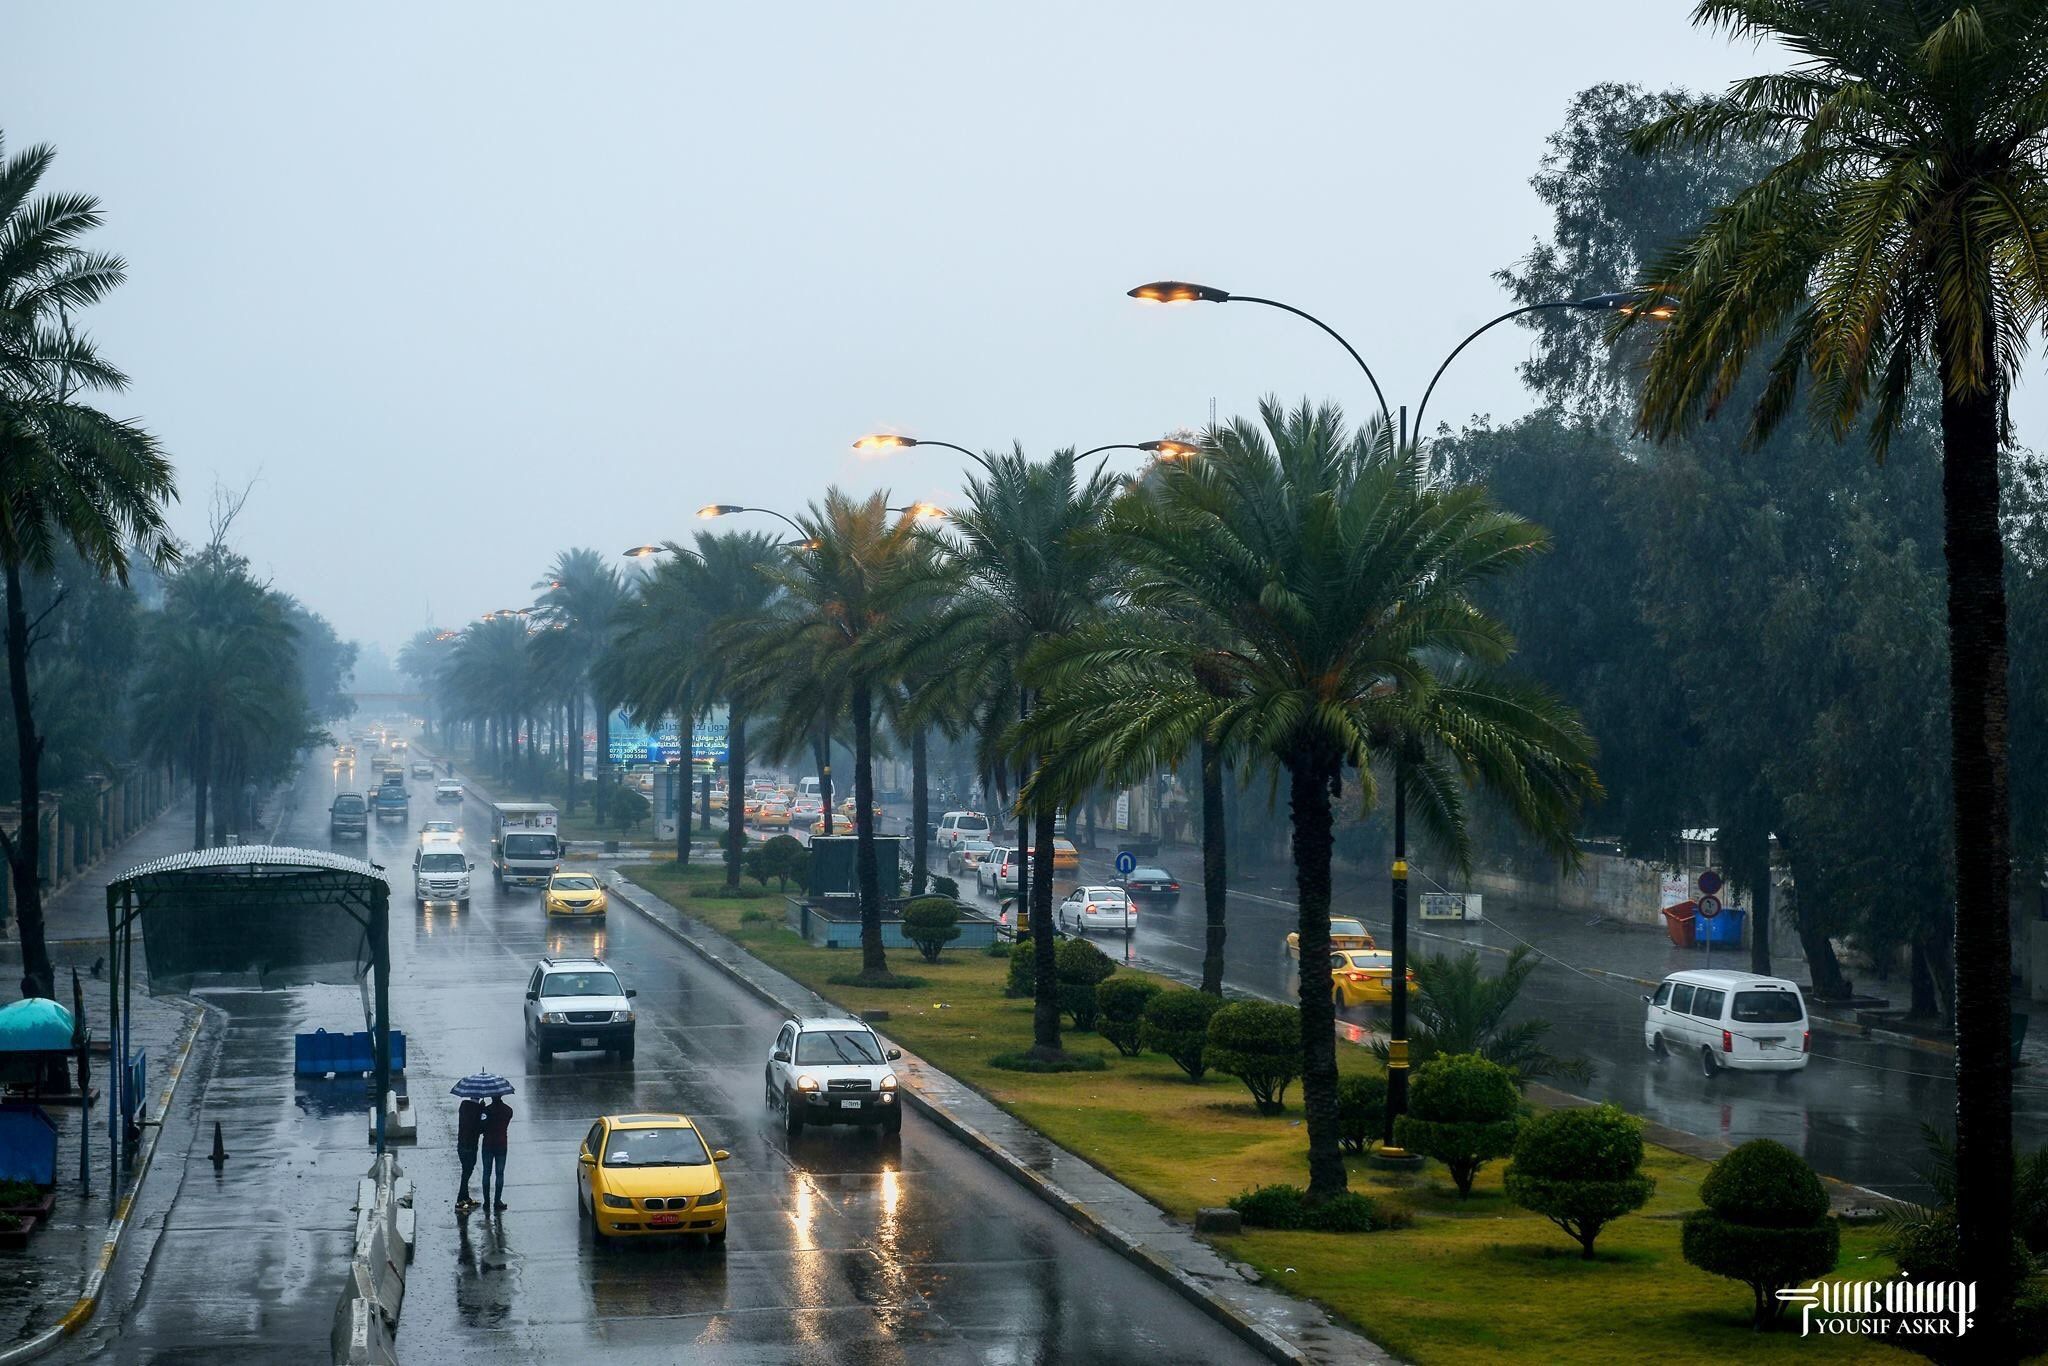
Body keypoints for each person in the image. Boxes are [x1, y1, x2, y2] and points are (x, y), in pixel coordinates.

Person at [480, 1094, 513, 1212]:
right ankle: (497, 1200)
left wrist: (482, 1109)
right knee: (500, 1174)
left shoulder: (487, 1110)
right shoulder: (508, 1110)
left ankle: (486, 1201)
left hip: (488, 1144)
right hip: (501, 1144)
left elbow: (481, 1127)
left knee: (486, 1173)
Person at [455, 1097, 484, 1210]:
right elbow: (479, 1128)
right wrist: (482, 1109)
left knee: (466, 1170)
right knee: (467, 1171)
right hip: (471, 1145)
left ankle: (465, 1197)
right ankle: (460, 1199)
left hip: (461, 1143)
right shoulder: (477, 1109)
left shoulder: (463, 1105)